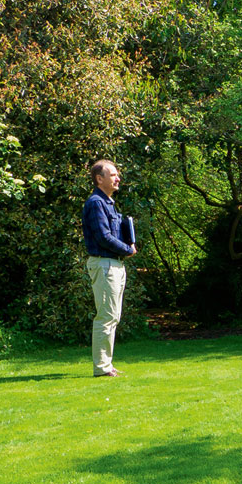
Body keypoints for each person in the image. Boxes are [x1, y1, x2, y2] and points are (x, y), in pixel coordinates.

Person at [81, 159, 134, 376]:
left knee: (113, 316)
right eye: (113, 174)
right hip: (105, 263)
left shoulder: (107, 203)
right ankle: (102, 368)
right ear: (99, 178)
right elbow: (103, 237)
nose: (118, 178)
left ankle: (106, 364)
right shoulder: (95, 203)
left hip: (114, 264)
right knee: (106, 316)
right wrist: (128, 249)